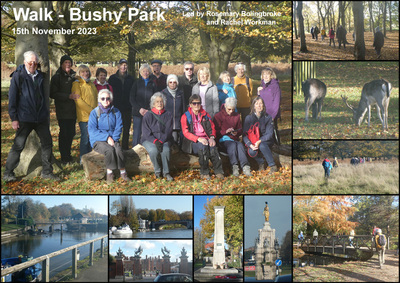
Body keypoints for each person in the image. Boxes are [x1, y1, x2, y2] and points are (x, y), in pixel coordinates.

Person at [4, 51, 60, 181]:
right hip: (24, 118)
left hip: (40, 118)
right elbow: (12, 99)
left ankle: (47, 172)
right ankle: (8, 173)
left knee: (47, 143)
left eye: (35, 62)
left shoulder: (40, 75)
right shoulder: (18, 76)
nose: (33, 64)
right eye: (30, 62)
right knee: (18, 146)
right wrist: (14, 118)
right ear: (25, 62)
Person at [88, 89, 131, 184]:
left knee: (119, 150)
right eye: (103, 98)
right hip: (98, 140)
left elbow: (119, 127)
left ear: (111, 99)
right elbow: (92, 131)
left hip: (113, 139)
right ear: (99, 100)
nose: (105, 100)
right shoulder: (94, 113)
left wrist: (114, 139)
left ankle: (123, 173)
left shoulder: (116, 112)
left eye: (108, 98)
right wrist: (107, 138)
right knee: (109, 150)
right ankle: (110, 174)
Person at [181, 94, 224, 180]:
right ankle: (204, 172)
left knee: (213, 148)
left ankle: (219, 171)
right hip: (193, 141)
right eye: (194, 103)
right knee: (203, 148)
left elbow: (212, 128)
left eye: (198, 103)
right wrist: (198, 139)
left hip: (207, 138)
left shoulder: (205, 114)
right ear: (190, 104)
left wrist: (212, 137)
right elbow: (185, 132)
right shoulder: (185, 116)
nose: (196, 105)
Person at [213, 97, 251, 177]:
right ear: (225, 106)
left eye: (233, 109)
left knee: (240, 145)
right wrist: (225, 132)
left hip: (234, 138)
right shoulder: (218, 116)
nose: (231, 111)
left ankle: (245, 166)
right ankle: (235, 166)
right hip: (222, 140)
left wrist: (236, 132)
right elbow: (215, 132)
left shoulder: (236, 116)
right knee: (232, 145)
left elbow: (240, 129)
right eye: (229, 109)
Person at [50, 54, 77, 164]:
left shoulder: (75, 76)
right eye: (66, 63)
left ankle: (68, 154)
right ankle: (64, 156)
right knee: (64, 133)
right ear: (61, 64)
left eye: (69, 63)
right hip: (62, 110)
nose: (68, 65)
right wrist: (67, 96)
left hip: (73, 110)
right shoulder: (57, 77)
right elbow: (52, 93)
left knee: (71, 133)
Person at [141, 92, 174, 181]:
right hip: (149, 139)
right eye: (157, 102)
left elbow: (168, 130)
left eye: (161, 101)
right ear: (153, 104)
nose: (159, 103)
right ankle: (158, 172)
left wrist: (162, 140)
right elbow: (146, 132)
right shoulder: (148, 115)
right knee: (153, 151)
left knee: (166, 150)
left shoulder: (168, 114)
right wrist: (155, 141)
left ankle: (166, 172)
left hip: (165, 138)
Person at [243, 97, 278, 173]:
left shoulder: (268, 117)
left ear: (263, 105)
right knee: (252, 151)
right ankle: (261, 163)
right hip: (253, 142)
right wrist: (250, 145)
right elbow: (244, 135)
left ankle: (273, 165)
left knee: (262, 145)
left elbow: (269, 134)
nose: (259, 106)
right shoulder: (248, 118)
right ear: (253, 106)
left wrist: (260, 141)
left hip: (266, 141)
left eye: (261, 103)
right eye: (257, 104)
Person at [72, 64, 98, 162]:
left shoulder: (91, 84)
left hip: (94, 116)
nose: (85, 73)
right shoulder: (77, 84)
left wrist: (97, 111)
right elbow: (79, 101)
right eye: (83, 72)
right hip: (84, 117)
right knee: (85, 139)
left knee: (93, 138)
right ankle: (82, 160)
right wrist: (91, 111)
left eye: (87, 71)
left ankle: (91, 158)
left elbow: (96, 98)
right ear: (79, 73)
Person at [108, 59, 135, 150]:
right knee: (115, 128)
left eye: (125, 65)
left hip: (127, 107)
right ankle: (115, 147)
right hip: (115, 107)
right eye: (122, 65)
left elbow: (133, 93)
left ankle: (125, 147)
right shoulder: (112, 78)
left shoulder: (131, 79)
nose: (123, 67)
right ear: (118, 66)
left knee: (126, 129)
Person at [130, 64, 157, 147]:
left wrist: (148, 110)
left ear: (150, 72)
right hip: (137, 112)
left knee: (147, 132)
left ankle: (145, 151)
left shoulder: (153, 84)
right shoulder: (136, 83)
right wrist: (139, 109)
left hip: (149, 113)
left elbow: (155, 99)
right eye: (143, 71)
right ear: (140, 72)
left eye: (147, 71)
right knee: (137, 132)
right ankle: (134, 151)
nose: (145, 73)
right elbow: (131, 98)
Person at [257, 67, 281, 145]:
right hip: (262, 112)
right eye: (264, 74)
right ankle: (267, 146)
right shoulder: (262, 84)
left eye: (267, 74)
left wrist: (273, 115)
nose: (266, 76)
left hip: (272, 112)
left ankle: (277, 146)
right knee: (264, 130)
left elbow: (277, 101)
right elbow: (259, 100)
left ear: (271, 76)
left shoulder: (275, 85)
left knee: (273, 130)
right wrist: (258, 92)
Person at [161, 74, 185, 147]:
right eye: (170, 82)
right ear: (167, 83)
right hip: (167, 123)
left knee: (177, 141)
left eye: (174, 82)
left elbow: (183, 107)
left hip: (178, 122)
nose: (172, 84)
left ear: (177, 83)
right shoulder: (163, 93)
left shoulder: (180, 93)